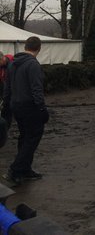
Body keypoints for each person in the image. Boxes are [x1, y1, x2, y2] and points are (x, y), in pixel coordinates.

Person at [2, 37, 48, 184]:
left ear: (25, 46)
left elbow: (7, 87)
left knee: (24, 136)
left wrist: (6, 103)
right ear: (38, 48)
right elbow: (36, 88)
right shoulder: (33, 65)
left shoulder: (12, 64)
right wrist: (42, 108)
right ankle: (15, 169)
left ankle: (25, 169)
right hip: (30, 105)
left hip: (16, 105)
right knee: (33, 137)